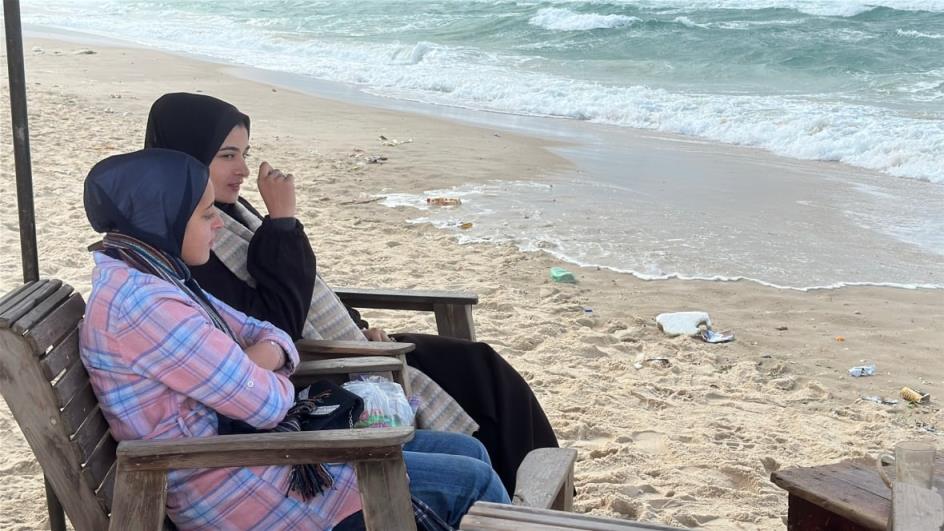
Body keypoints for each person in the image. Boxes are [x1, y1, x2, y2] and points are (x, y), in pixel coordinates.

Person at [144, 93, 560, 493]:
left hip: (343, 347)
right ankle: (514, 501)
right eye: (227, 156)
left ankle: (532, 496)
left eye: (245, 154)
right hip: (320, 368)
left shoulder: (227, 213)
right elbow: (276, 320)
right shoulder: (193, 238)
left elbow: (308, 285)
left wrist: (359, 325)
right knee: (474, 383)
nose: (243, 170)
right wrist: (284, 223)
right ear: (187, 156)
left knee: (480, 367)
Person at [79, 149, 509, 530]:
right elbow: (266, 405)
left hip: (254, 456)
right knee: (474, 481)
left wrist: (253, 360)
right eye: (205, 214)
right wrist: (259, 364)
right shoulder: (146, 306)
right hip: (245, 490)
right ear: (163, 218)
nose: (219, 226)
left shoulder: (152, 276)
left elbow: (267, 331)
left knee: (467, 450)